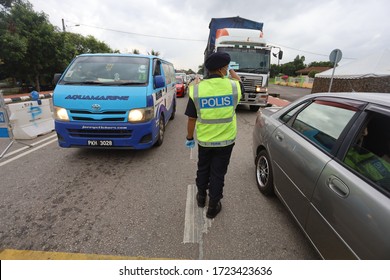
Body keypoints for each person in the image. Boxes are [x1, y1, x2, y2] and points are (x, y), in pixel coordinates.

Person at [184, 52, 243, 219]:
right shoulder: (233, 87)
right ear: (222, 68)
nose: (227, 69)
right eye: (227, 66)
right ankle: (213, 206)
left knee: (203, 168)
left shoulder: (196, 90)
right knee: (218, 173)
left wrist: (189, 138)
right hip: (226, 141)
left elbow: (191, 118)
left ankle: (201, 197)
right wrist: (232, 73)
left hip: (205, 141)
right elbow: (240, 83)